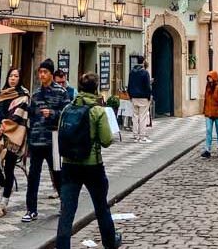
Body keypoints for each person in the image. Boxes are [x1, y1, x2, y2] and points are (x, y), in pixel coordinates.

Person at [55, 72, 122, 249]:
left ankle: (62, 246)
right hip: (92, 165)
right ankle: (109, 241)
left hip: (69, 164)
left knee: (67, 212)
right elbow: (107, 140)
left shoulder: (67, 109)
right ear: (96, 88)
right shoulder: (97, 111)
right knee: (101, 207)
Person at [22, 58, 68, 222]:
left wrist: (53, 114)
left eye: (45, 72)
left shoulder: (61, 92)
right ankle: (31, 209)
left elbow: (66, 113)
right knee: (33, 176)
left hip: (53, 140)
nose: (41, 75)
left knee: (57, 174)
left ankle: (64, 204)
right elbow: (31, 117)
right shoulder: (35, 94)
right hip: (36, 140)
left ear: (50, 73)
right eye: (40, 72)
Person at [0, 67, 30, 218]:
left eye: (16, 76)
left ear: (20, 79)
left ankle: (3, 203)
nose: (13, 78)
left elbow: (18, 116)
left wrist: (3, 128)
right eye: (11, 76)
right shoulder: (2, 94)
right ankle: (7, 186)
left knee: (9, 169)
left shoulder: (23, 96)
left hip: (13, 137)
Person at [200, 70, 218, 158]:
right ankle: (207, 150)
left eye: (210, 77)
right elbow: (206, 101)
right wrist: (205, 111)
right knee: (208, 131)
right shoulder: (207, 88)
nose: (209, 79)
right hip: (209, 113)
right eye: (208, 77)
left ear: (215, 78)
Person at [127, 59, 152, 143]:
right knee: (143, 117)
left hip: (134, 97)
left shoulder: (131, 72)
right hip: (143, 97)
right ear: (143, 62)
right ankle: (142, 136)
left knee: (135, 116)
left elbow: (129, 85)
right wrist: (149, 96)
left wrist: (130, 96)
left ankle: (135, 135)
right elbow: (148, 86)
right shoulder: (145, 73)